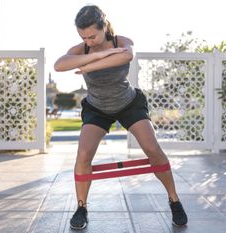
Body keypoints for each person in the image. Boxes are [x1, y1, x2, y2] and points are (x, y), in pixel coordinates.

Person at [54, 5, 188, 230]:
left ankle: (174, 200)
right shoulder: (84, 48)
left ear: (104, 26)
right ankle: (81, 207)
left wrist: (89, 62)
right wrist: (102, 53)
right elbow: (59, 65)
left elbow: (126, 56)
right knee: (84, 154)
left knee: (152, 149)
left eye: (92, 36)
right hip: (97, 107)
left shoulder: (121, 42)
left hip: (128, 103)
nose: (88, 41)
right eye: (83, 37)